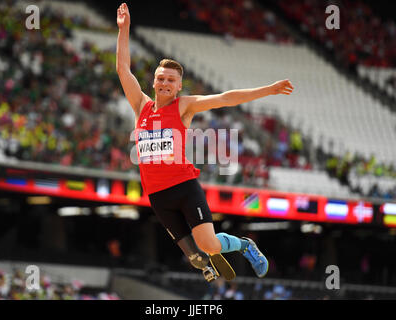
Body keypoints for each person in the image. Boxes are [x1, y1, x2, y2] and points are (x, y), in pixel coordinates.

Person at [116, 3, 293, 280]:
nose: (164, 83)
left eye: (171, 80)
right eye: (160, 78)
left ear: (178, 87)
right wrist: (124, 30)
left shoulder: (184, 106)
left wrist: (267, 90)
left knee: (208, 244)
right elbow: (123, 68)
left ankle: (245, 245)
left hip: (184, 188)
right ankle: (204, 265)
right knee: (197, 256)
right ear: (153, 83)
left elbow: (225, 98)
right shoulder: (141, 106)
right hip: (157, 196)